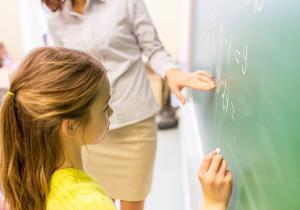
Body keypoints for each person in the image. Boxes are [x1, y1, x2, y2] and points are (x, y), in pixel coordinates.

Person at [0, 47, 232, 210]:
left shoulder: (27, 179)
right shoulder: (89, 204)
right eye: (104, 107)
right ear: (69, 126)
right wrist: (213, 204)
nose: (111, 113)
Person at [42, 1, 216, 209]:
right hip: (88, 132)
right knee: (95, 201)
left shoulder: (125, 3)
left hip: (135, 125)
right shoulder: (55, 20)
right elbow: (68, 71)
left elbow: (153, 49)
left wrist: (172, 72)